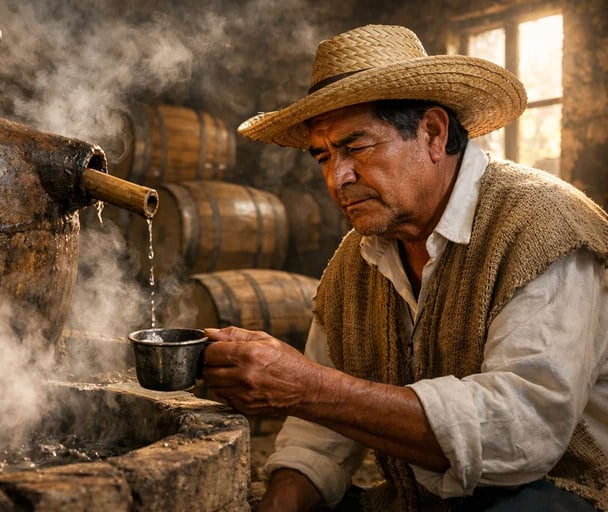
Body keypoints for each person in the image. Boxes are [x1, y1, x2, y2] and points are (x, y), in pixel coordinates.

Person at [201, 24, 608, 511]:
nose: (338, 178)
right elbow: (317, 440)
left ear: (433, 133)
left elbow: (524, 430)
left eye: (356, 147)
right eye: (323, 156)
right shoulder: (356, 262)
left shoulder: (542, 225)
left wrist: (307, 386)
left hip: (560, 495)